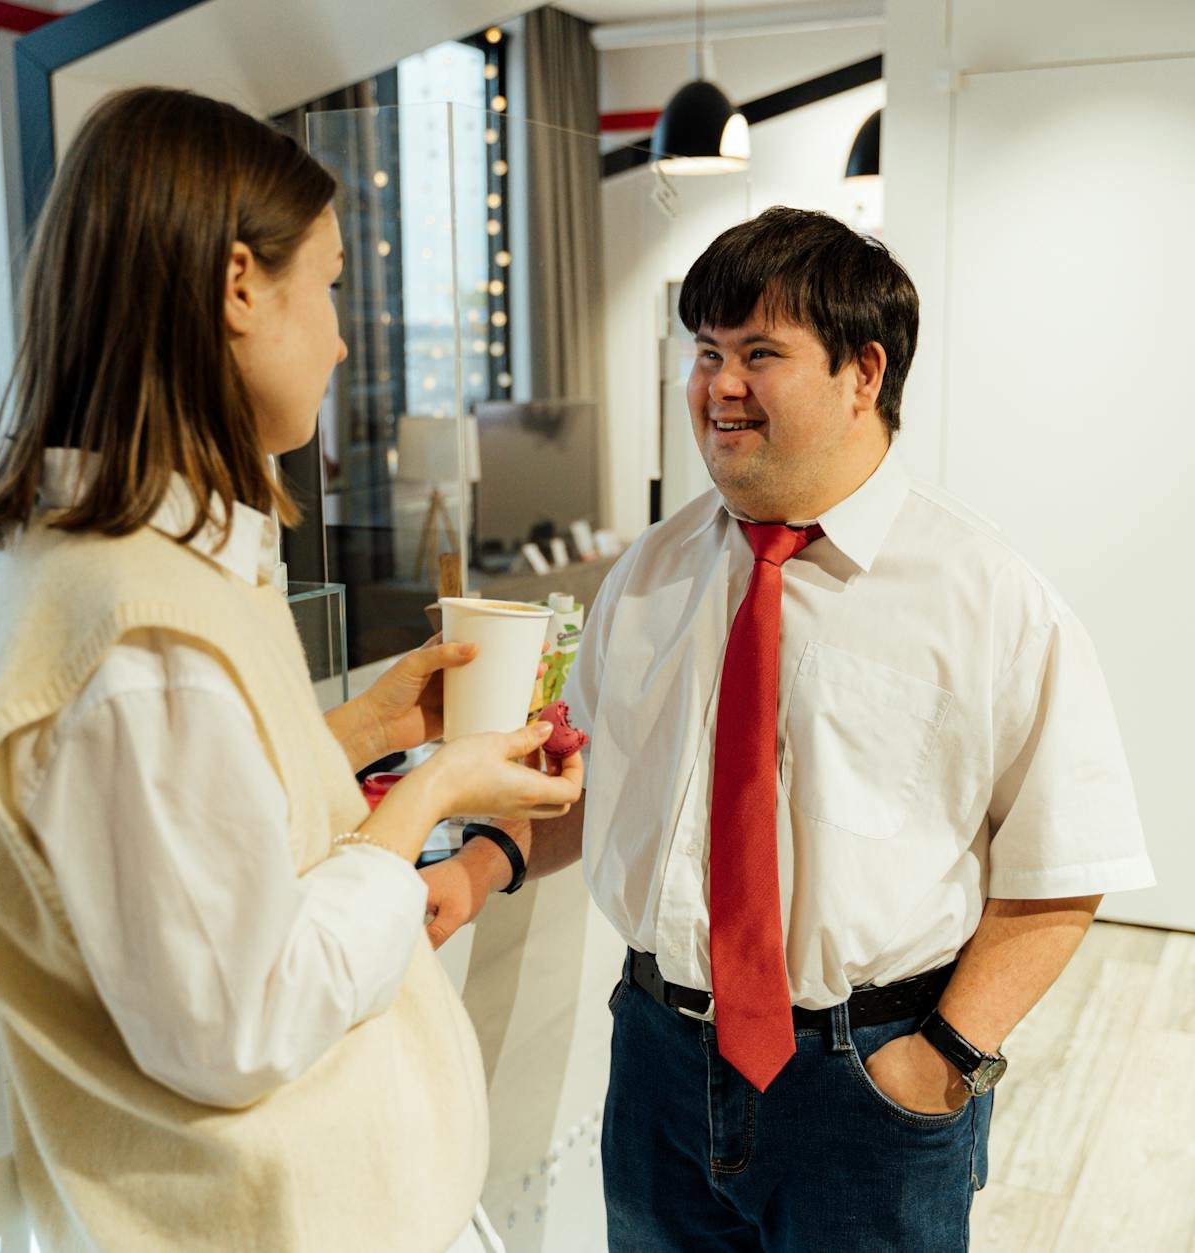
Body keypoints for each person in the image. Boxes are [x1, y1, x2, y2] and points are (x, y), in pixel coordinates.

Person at [424, 207, 1156, 1251]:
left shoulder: (988, 600)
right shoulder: (651, 571)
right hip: (658, 1069)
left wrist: (941, 1054)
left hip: (868, 1084)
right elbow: (588, 776)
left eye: (758, 354)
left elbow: (1060, 866)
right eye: (706, 352)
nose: (719, 385)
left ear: (862, 372)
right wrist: (478, 862)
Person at [0, 87, 582, 1253]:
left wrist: (358, 731)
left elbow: (201, 830)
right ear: (239, 285)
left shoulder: (161, 570)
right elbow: (240, 1022)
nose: (342, 336)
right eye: (331, 284)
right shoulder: (140, 629)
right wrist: (434, 795)